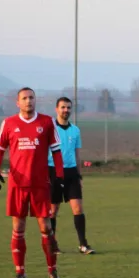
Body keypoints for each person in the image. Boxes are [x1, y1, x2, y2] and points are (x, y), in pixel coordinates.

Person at [0, 87, 65, 278]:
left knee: (46, 227)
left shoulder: (46, 122)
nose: (28, 101)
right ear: (18, 102)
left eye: (31, 97)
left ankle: (53, 271)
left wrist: (59, 176)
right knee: (18, 227)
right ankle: (20, 273)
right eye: (24, 98)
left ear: (35, 100)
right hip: (17, 184)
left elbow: (56, 151)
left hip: (40, 183)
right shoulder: (9, 123)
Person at [48, 97, 95, 255]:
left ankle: (83, 245)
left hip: (71, 172)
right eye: (62, 107)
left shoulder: (75, 130)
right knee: (53, 210)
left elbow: (77, 153)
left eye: (68, 107)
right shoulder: (50, 128)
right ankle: (53, 245)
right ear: (57, 109)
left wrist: (79, 176)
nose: (65, 110)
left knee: (78, 208)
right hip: (53, 171)